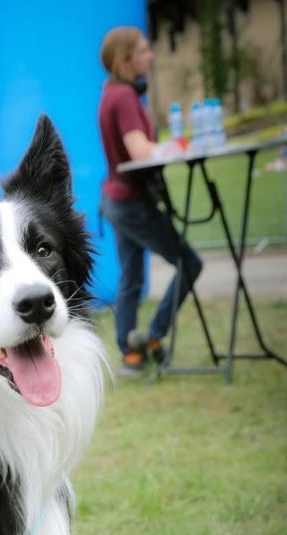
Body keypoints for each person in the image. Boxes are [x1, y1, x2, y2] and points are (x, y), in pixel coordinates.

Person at [98, 26, 203, 375]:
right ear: (126, 58)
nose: (151, 55)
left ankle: (130, 354)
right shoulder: (125, 96)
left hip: (117, 199)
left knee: (130, 279)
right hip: (131, 203)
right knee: (190, 263)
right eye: (144, 50)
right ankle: (154, 336)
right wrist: (177, 147)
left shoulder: (111, 93)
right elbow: (139, 151)